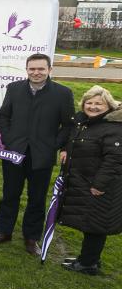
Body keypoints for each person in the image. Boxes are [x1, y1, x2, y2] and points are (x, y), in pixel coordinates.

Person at [0, 53, 74, 255]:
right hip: (14, 152)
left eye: (41, 69)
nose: (36, 73)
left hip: (42, 156)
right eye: (32, 69)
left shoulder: (63, 93)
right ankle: (4, 231)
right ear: (26, 69)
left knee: (36, 198)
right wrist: (8, 139)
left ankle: (31, 237)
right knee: (9, 194)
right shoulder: (14, 88)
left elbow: (68, 125)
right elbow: (4, 116)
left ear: (49, 70)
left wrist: (55, 144)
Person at [60, 86, 122, 275]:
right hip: (85, 180)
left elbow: (115, 159)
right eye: (89, 102)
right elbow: (73, 140)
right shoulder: (86, 123)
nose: (93, 106)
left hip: (100, 185)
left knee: (96, 224)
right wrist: (65, 149)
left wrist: (99, 185)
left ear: (109, 106)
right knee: (91, 222)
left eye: (98, 103)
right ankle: (88, 258)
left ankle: (88, 264)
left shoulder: (113, 128)